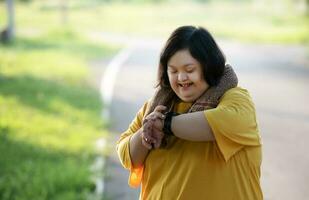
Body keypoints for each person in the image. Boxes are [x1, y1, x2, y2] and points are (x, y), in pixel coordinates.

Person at [117, 26, 263, 200]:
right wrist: (146, 132)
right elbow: (127, 155)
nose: (181, 78)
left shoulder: (236, 99)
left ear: (208, 67)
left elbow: (217, 125)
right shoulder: (156, 107)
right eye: (174, 71)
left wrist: (165, 124)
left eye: (189, 70)